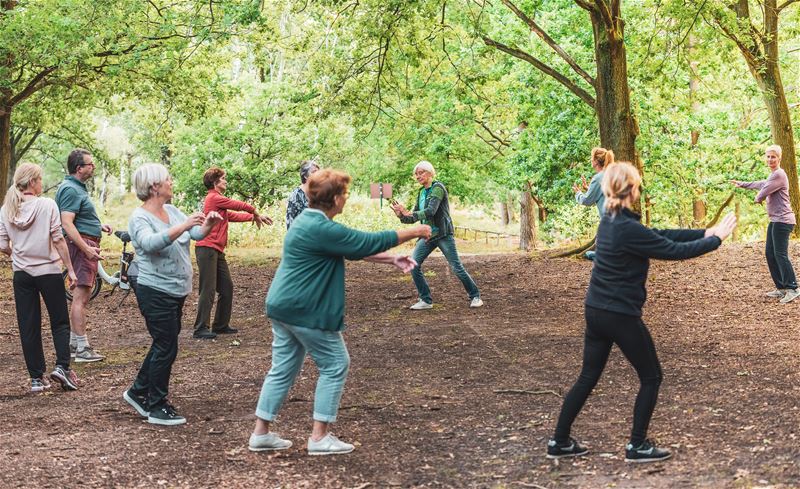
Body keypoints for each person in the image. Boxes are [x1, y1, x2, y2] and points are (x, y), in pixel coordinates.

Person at [546, 162, 736, 463]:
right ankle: (637, 446)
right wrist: (715, 240)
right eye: (638, 185)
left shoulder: (610, 219)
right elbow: (671, 251)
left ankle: (558, 441)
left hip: (595, 310)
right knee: (651, 376)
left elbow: (658, 234)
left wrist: (703, 231)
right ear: (631, 189)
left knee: (588, 376)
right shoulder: (625, 226)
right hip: (619, 315)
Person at [249, 169, 431, 455]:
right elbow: (365, 241)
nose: (346, 198)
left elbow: (349, 248)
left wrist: (391, 259)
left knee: (282, 368)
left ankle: (261, 433)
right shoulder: (321, 227)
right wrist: (415, 230)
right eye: (344, 193)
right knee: (335, 363)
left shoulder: (307, 222)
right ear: (334, 199)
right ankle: (320, 437)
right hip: (304, 309)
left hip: (282, 306)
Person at [122, 163, 222, 426]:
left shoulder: (172, 211)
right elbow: (149, 244)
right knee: (166, 345)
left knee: (163, 343)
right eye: (168, 179)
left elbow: (195, 233)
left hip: (176, 289)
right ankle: (156, 405)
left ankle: (137, 391)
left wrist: (208, 225)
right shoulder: (139, 218)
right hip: (154, 289)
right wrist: (184, 225)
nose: (172, 182)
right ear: (155, 186)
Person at [0, 163, 80, 392]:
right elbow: (58, 239)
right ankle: (62, 366)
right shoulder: (47, 205)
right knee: (59, 321)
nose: (42, 184)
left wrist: (19, 253)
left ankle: (37, 378)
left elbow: (3, 244)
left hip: (22, 274)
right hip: (48, 272)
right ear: (33, 182)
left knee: (28, 325)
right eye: (40, 180)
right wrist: (71, 270)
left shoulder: (7, 209)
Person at [192, 167, 273, 339]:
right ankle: (200, 328)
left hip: (216, 249)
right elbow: (240, 205)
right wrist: (254, 211)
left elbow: (232, 215)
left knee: (226, 287)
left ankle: (220, 325)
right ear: (215, 182)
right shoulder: (214, 197)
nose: (226, 181)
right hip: (206, 248)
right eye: (223, 178)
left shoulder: (218, 201)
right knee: (208, 289)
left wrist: (256, 217)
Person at [390, 160, 482, 310]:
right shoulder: (420, 192)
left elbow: (431, 211)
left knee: (456, 267)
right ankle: (425, 300)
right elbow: (412, 218)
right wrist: (401, 215)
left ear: (430, 173)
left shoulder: (438, 188)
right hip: (427, 236)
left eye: (421, 172)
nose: (418, 176)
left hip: (443, 234)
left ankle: (475, 296)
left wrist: (411, 212)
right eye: (416, 174)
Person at [55, 149, 113, 363]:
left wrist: (98, 225)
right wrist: (86, 248)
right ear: (79, 168)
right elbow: (67, 223)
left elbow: (77, 218)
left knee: (82, 297)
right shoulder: (71, 189)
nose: (93, 167)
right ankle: (82, 349)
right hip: (81, 247)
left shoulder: (76, 188)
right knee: (81, 298)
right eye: (90, 164)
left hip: (85, 242)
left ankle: (73, 345)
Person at [732, 145, 799, 303]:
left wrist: (758, 199)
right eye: (768, 156)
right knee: (770, 253)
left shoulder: (779, 174)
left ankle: (792, 288)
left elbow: (764, 191)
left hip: (783, 220)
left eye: (773, 157)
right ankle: (781, 287)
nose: (770, 159)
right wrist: (742, 184)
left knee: (780, 254)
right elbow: (761, 184)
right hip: (776, 220)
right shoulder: (773, 175)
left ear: (779, 158)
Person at [573, 147, 615, 260]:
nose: (591, 161)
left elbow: (587, 201)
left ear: (596, 161)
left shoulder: (598, 178)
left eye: (592, 159)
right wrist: (588, 189)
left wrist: (578, 193)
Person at [285, 160, 319, 229]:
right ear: (305, 176)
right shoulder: (296, 195)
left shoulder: (320, 192)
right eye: (314, 172)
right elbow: (290, 222)